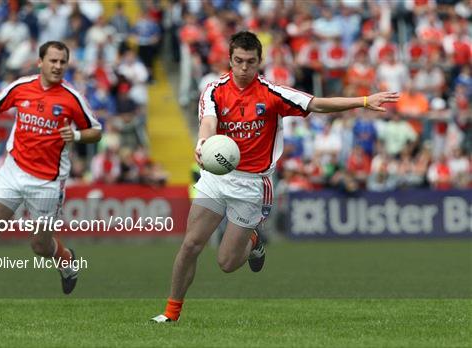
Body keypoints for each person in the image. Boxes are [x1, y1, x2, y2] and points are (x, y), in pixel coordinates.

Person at [151, 31, 398, 322]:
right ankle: (170, 313)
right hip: (217, 177)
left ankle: (254, 240)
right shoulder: (214, 90)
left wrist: (364, 100)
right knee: (191, 244)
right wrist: (203, 143)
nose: (244, 68)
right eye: (238, 61)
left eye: (250, 62)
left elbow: (316, 104)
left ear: (259, 62)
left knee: (227, 263)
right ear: (229, 60)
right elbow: (208, 122)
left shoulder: (272, 93)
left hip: (252, 183)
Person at [0, 41, 102, 308]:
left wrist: (74, 135)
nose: (58, 66)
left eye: (62, 62)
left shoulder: (73, 99)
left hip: (48, 182)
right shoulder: (21, 87)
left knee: (39, 246)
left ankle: (67, 260)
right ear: (40, 62)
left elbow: (96, 130)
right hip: (13, 171)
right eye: (53, 60)